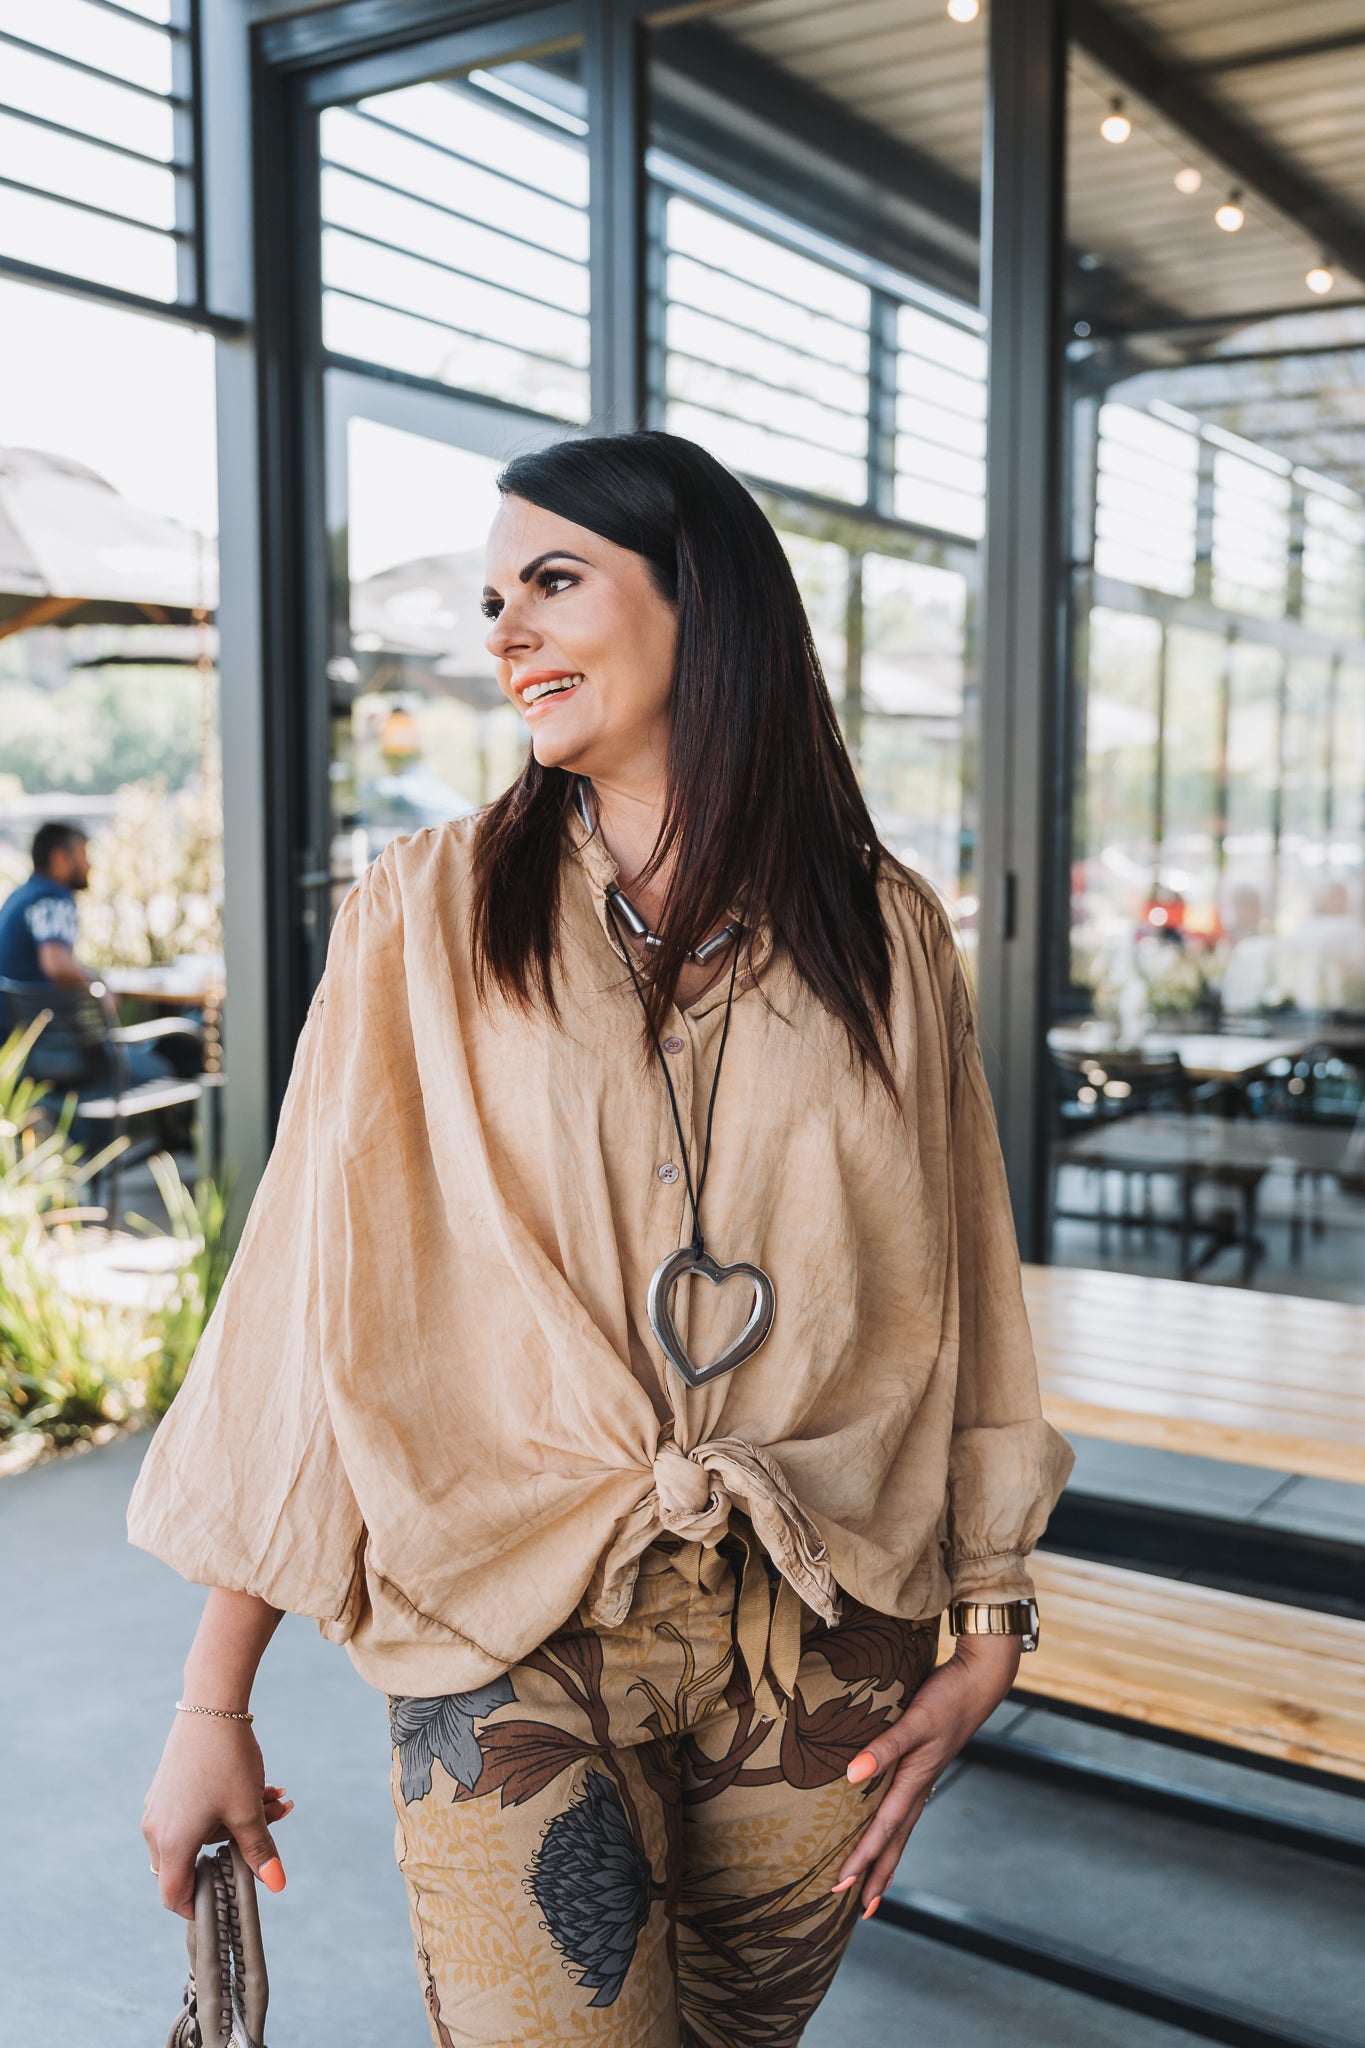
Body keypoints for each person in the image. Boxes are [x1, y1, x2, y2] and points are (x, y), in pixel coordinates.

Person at [130, 432, 1073, 2047]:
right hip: (506, 1616)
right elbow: (305, 1296)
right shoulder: (424, 914)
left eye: (552, 581)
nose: (503, 632)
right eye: (497, 597)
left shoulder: (886, 927)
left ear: (704, 606)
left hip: (825, 1635)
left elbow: (965, 1286)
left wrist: (988, 1627)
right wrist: (212, 1701)